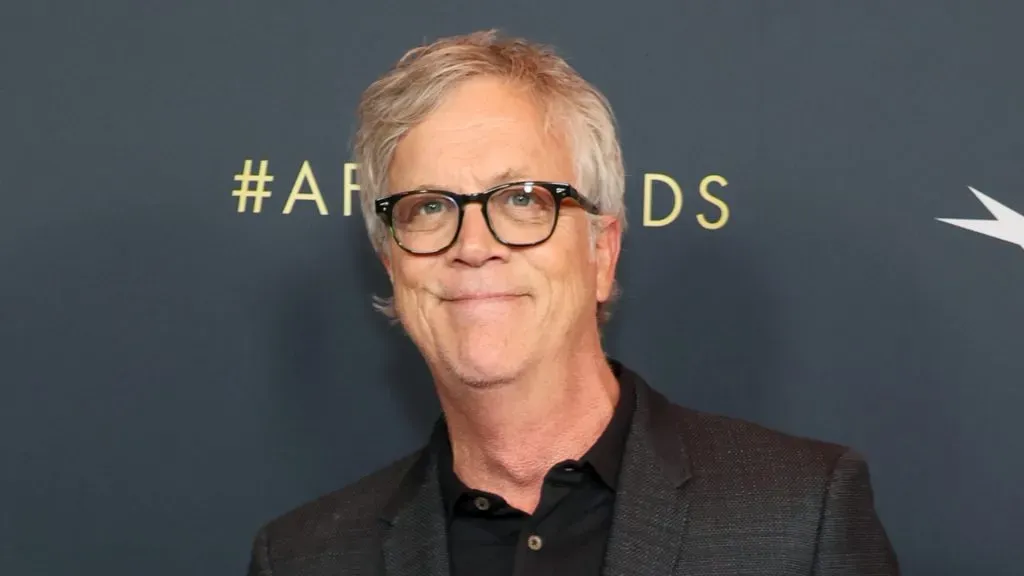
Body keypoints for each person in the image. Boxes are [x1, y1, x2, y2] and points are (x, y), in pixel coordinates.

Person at [246, 29, 899, 576]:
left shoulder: (799, 517)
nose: (473, 245)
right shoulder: (307, 558)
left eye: (522, 200)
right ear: (392, 264)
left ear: (601, 251)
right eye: (429, 207)